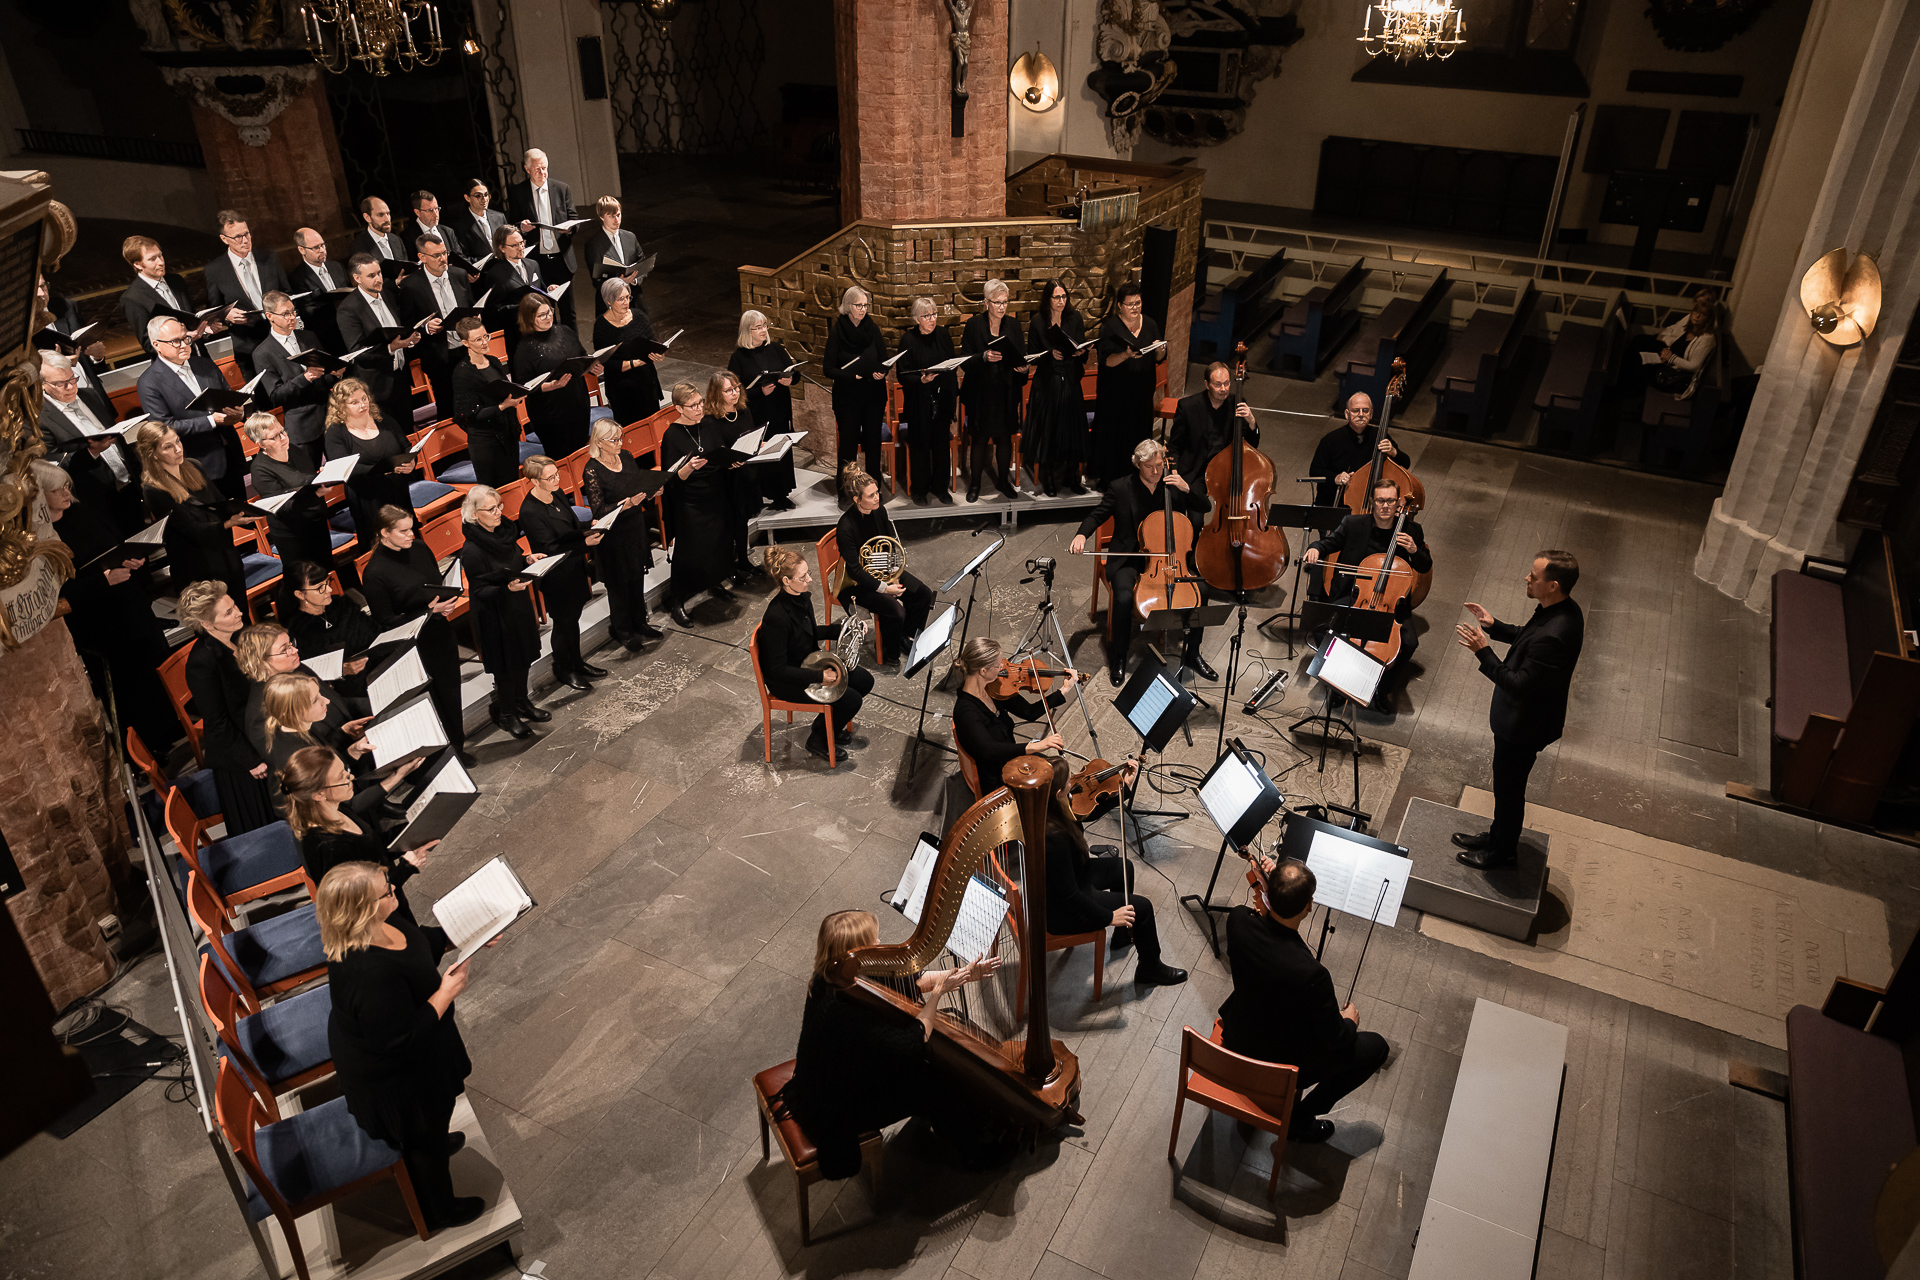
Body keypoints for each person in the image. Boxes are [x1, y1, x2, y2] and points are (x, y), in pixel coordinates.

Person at [316, 860, 484, 1231]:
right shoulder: (369, 973)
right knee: (423, 1137)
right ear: (363, 909)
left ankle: (434, 1139)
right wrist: (445, 994)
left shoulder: (380, 925)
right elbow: (400, 1041)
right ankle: (439, 1209)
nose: (394, 891)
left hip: (411, 1055)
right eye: (387, 891)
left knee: (433, 1130)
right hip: (396, 1082)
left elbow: (419, 944)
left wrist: (474, 933)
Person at [777, 909, 1007, 1178]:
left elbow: (911, 980)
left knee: (932, 1066)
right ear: (856, 954)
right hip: (838, 1108)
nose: (879, 946)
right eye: (873, 943)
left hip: (834, 1079)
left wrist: (963, 974)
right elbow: (913, 1042)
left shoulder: (830, 975)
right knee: (937, 1078)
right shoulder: (840, 1010)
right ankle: (976, 1153)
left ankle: (953, 1120)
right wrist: (936, 997)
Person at [1219, 857, 1390, 1143]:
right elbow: (1336, 1039)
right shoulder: (1312, 974)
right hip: (1279, 1065)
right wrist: (1349, 1022)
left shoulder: (1237, 921)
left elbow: (1257, 913)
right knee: (1376, 1048)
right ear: (1308, 907)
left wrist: (1272, 884)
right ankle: (1299, 1119)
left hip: (1239, 1035)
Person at [1452, 551, 1585, 870]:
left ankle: (1502, 852)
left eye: (1534, 576)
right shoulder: (1561, 609)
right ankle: (1498, 835)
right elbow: (1527, 637)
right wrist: (1493, 626)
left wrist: (1483, 652)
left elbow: (1518, 683)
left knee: (1509, 791)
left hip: (1524, 727)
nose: (1527, 578)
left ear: (1552, 585)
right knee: (1505, 787)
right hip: (1524, 721)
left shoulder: (1556, 633)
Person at [37, 460, 178, 754]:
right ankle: (147, 751)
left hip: (129, 605)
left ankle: (174, 726)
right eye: (57, 489)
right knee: (128, 687)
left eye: (66, 485)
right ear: (38, 495)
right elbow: (56, 593)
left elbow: (114, 545)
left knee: (154, 668)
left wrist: (133, 559)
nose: (66, 492)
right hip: (99, 624)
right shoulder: (40, 539)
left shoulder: (79, 511)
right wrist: (103, 581)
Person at [1068, 439, 1218, 687]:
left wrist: (1187, 488)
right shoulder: (1121, 488)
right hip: (1129, 558)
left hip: (1168, 560)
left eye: (1159, 465)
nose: (1157, 471)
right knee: (1125, 597)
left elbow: (1204, 506)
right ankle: (1119, 657)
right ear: (1138, 464)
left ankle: (1192, 654)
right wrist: (1082, 534)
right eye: (1150, 467)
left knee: (1201, 591)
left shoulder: (1172, 486)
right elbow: (1097, 515)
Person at [1040, 760, 1186, 986]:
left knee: (1123, 868)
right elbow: (1071, 897)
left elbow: (1087, 812)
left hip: (1076, 877)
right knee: (1143, 908)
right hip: (1065, 910)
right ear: (1058, 792)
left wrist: (1123, 789)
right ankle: (1150, 969)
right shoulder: (1052, 837)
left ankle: (1122, 936)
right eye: (1069, 780)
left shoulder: (1052, 806)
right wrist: (1110, 917)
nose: (1074, 782)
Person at [1299, 477, 1432, 703]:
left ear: (1399, 503)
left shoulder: (1412, 530)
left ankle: (1381, 690)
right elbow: (1327, 543)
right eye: (1380, 500)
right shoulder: (1353, 524)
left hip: (1392, 604)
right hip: (1356, 595)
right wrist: (1314, 548)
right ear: (1372, 501)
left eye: (1390, 501)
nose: (1385, 506)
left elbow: (1424, 564)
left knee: (1409, 642)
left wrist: (1413, 549)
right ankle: (1338, 683)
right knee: (1323, 626)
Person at [361, 506, 469, 762]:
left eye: (411, 529)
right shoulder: (375, 573)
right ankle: (438, 757)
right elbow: (386, 622)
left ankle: (458, 749)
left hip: (439, 634)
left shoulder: (419, 548)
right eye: (404, 531)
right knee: (428, 701)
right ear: (384, 533)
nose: (411, 535)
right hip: (412, 647)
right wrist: (428, 611)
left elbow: (435, 583)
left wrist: (445, 601)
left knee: (451, 693)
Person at [756, 545, 872, 764]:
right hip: (789, 680)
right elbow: (778, 670)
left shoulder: (802, 598)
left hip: (806, 664)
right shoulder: (777, 618)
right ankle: (818, 738)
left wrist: (845, 629)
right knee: (851, 701)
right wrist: (820, 677)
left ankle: (829, 725)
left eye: (808, 573)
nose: (809, 579)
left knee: (865, 681)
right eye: (803, 576)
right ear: (786, 581)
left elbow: (809, 632)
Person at [178, 581, 276, 833]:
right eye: (229, 612)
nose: (239, 612)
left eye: (234, 606)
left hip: (258, 731)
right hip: (242, 757)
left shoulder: (237, 638)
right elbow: (217, 722)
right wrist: (251, 761)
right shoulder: (202, 662)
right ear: (208, 624)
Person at [459, 485, 546, 740]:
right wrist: (507, 587)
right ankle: (507, 714)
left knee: (524, 656)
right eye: (491, 509)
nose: (498, 513)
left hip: (516, 605)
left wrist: (527, 560)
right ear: (475, 514)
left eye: (499, 507)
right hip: (494, 615)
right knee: (506, 668)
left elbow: (513, 559)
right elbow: (479, 591)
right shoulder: (473, 550)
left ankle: (522, 702)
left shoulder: (504, 532)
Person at [134, 422, 249, 613]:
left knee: (241, 617)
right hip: (197, 567)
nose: (178, 449)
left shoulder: (194, 466)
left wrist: (241, 511)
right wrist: (228, 523)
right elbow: (191, 529)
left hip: (225, 556)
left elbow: (219, 501)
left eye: (177, 441)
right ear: (153, 454)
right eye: (168, 447)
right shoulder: (153, 490)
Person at [521, 453, 613, 683]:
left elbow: (570, 526)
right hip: (556, 576)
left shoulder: (557, 494)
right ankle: (564, 669)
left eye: (556, 475)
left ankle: (577, 662)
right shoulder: (530, 512)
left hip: (574, 567)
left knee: (574, 620)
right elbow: (549, 548)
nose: (556, 480)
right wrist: (585, 544)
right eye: (550, 478)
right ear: (534, 481)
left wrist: (588, 526)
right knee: (563, 624)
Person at [137, 315, 247, 498]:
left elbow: (228, 396)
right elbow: (164, 427)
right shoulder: (149, 382)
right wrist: (211, 421)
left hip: (230, 452)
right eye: (175, 341)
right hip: (197, 462)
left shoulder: (203, 363)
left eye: (186, 338)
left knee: (244, 514)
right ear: (156, 345)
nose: (183, 344)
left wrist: (238, 412)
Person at [834, 464, 932, 665]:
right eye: (871, 496)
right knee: (896, 610)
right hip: (856, 584)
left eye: (877, 492)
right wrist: (886, 589)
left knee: (923, 593)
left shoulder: (879, 511)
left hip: (884, 570)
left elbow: (890, 547)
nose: (877, 498)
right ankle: (889, 651)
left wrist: (894, 577)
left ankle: (906, 637)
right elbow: (855, 570)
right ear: (856, 499)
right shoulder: (846, 527)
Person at [659, 383, 740, 626]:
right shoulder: (672, 435)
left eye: (700, 403)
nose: (699, 408)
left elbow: (720, 453)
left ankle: (714, 582)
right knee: (689, 552)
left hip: (715, 493)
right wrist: (687, 468)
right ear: (678, 408)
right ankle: (677, 601)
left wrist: (731, 461)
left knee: (718, 542)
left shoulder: (709, 424)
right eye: (693, 406)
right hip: (690, 501)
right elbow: (671, 478)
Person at [577, 425, 663, 651]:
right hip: (614, 535)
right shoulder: (592, 470)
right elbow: (598, 510)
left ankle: (640, 622)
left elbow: (637, 487)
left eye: (620, 438)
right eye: (613, 440)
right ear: (599, 442)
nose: (620, 443)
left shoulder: (626, 456)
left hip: (634, 527)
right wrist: (625, 505)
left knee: (636, 578)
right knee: (618, 585)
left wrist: (651, 491)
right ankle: (623, 630)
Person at [38, 351, 142, 533]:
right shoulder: (39, 418)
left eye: (72, 379)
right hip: (94, 499)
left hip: (128, 486)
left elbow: (117, 438)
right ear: (43, 385)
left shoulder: (90, 396)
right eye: (60, 384)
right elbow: (51, 465)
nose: (70, 387)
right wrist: (91, 453)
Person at [236, 622, 368, 757]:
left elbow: (336, 701)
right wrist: (344, 736)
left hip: (353, 741)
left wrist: (377, 705)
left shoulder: (297, 668)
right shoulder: (263, 712)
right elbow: (304, 758)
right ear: (261, 662)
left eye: (291, 644)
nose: (294, 650)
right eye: (284, 650)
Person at [951, 636, 1071, 784]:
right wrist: (1036, 746)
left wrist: (1064, 690)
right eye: (998, 665)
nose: (1003, 667)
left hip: (1011, 758)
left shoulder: (993, 689)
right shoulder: (966, 712)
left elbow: (1029, 712)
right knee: (1057, 777)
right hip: (997, 773)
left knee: (1060, 769)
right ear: (983, 671)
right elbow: (988, 750)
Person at [324, 377, 418, 554]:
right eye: (354, 402)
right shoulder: (336, 433)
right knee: (382, 548)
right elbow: (345, 470)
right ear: (341, 406)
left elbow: (405, 446)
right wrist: (384, 470)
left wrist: (412, 461)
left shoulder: (383, 419)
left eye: (364, 399)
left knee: (408, 542)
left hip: (397, 491)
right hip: (368, 500)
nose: (362, 405)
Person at [246, 413, 340, 581]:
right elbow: (281, 507)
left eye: (283, 431)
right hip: (292, 534)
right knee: (307, 582)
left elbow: (308, 478)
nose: (283, 438)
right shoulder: (260, 470)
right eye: (274, 436)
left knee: (326, 573)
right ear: (260, 444)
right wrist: (316, 494)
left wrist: (321, 478)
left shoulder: (295, 450)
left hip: (316, 523)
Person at [960, 278, 1030, 502]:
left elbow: (1021, 356)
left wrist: (1022, 368)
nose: (1002, 306)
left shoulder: (1014, 325)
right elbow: (964, 360)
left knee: (1003, 439)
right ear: (986, 302)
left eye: (1005, 302)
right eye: (997, 302)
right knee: (979, 440)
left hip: (1006, 393)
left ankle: (1002, 480)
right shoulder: (974, 325)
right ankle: (976, 484)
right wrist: (983, 357)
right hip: (981, 393)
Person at [254, 290, 341, 469]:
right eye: (285, 313)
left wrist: (335, 375)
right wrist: (305, 377)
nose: (292, 317)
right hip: (303, 427)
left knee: (344, 468)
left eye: (293, 311)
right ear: (270, 316)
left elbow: (324, 376)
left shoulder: (308, 337)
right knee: (312, 479)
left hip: (330, 416)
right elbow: (276, 395)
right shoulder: (262, 353)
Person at [336, 253, 423, 426]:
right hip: (376, 387)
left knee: (408, 433)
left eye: (379, 273)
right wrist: (390, 348)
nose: (378, 279)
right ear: (357, 278)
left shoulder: (388, 295)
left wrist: (409, 339)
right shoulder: (348, 309)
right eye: (371, 275)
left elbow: (396, 330)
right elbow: (357, 352)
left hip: (400, 377)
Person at [201, 210, 290, 376]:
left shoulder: (269, 258)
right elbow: (214, 308)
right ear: (224, 239)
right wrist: (227, 315)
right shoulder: (215, 270)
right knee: (261, 399)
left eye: (247, 234)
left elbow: (287, 292)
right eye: (237, 237)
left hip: (281, 338)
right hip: (247, 346)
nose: (245, 240)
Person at [1092, 282, 1164, 484]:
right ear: (1119, 305)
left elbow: (1159, 357)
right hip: (1116, 395)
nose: (1135, 307)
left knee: (1138, 437)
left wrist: (1160, 349)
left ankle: (1137, 479)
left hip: (1141, 394)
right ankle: (1112, 481)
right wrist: (1125, 355)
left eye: (1138, 303)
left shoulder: (1150, 324)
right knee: (1115, 438)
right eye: (1130, 304)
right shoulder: (1110, 328)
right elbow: (1106, 361)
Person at [511, 291, 597, 461]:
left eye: (549, 311)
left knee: (581, 454)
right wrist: (550, 386)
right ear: (529, 318)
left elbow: (582, 355)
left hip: (577, 403)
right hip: (550, 413)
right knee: (563, 458)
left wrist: (593, 366)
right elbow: (523, 386)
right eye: (541, 315)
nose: (548, 317)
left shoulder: (565, 331)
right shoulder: (524, 349)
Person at [1024, 278, 1090, 496]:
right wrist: (1049, 354)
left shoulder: (1074, 318)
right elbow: (1033, 356)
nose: (1061, 301)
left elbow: (1081, 349)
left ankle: (1072, 478)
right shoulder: (1037, 322)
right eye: (1056, 297)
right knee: (1050, 432)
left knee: (1071, 429)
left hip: (1070, 379)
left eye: (1064, 297)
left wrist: (1082, 352)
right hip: (1048, 383)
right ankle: (1049, 479)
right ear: (1048, 299)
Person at [727, 310, 798, 511]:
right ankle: (757, 496)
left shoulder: (776, 348)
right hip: (756, 413)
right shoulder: (739, 357)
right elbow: (733, 390)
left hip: (779, 409)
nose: (763, 330)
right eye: (758, 327)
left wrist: (791, 379)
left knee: (781, 451)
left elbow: (793, 372)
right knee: (761, 454)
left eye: (765, 325)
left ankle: (780, 495)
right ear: (747, 331)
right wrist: (759, 391)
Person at [448, 315, 528, 489]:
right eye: (478, 339)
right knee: (493, 492)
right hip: (485, 443)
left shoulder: (493, 361)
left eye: (486, 336)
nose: (484, 342)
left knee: (513, 488)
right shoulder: (463, 373)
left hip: (507, 434)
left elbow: (503, 391)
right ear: (465, 343)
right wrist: (502, 406)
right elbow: (469, 414)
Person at [278, 560, 375, 703]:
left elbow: (373, 630)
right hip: (349, 691)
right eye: (320, 588)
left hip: (375, 666)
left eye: (327, 582)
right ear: (300, 594)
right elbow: (309, 674)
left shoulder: (342, 604)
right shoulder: (298, 632)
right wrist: (341, 670)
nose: (329, 590)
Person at [702, 369, 768, 576]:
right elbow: (716, 452)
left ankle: (743, 560)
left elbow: (748, 437)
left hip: (744, 475)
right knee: (729, 523)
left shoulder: (744, 411)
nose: (735, 393)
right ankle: (727, 565)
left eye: (736, 387)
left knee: (742, 521)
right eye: (728, 390)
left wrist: (759, 444)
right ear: (716, 394)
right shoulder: (710, 421)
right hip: (725, 479)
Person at [398, 235, 474, 415]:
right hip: (439, 357)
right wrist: (425, 327)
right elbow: (407, 324)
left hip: (467, 350)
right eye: (436, 255)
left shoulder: (459, 275)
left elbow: (470, 307)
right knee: (448, 406)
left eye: (444, 253)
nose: (443, 259)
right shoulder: (411, 285)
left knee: (475, 398)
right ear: (422, 257)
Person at [892, 298, 956, 505]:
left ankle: (941, 487)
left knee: (940, 445)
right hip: (919, 403)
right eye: (927, 316)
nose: (932, 319)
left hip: (942, 399)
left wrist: (952, 398)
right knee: (920, 446)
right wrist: (921, 379)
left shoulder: (944, 335)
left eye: (934, 314)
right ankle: (919, 489)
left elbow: (952, 366)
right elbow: (902, 374)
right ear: (917, 319)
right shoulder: (908, 340)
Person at [823, 285, 888, 484]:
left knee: (873, 444)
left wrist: (881, 372)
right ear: (847, 306)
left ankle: (872, 485)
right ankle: (846, 489)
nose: (862, 309)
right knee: (849, 446)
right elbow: (828, 369)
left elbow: (884, 359)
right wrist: (853, 376)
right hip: (847, 398)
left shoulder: (873, 328)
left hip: (873, 396)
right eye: (858, 305)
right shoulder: (837, 332)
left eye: (865, 305)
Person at [120, 235, 222, 359]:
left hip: (201, 357)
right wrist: (184, 339)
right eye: (152, 259)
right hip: (174, 366)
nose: (161, 262)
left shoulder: (176, 281)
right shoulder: (133, 298)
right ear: (138, 265)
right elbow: (148, 345)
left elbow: (191, 319)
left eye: (160, 255)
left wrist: (205, 328)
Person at [506, 148, 579, 307]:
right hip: (536, 260)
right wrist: (521, 228)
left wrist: (569, 228)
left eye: (544, 168)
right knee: (544, 308)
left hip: (562, 258)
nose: (542, 172)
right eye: (537, 169)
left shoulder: (561, 189)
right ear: (527, 169)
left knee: (569, 310)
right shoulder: (518, 193)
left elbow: (574, 218)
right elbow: (512, 224)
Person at [1169, 362, 1259, 489]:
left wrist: (1251, 421)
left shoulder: (1237, 403)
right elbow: (1174, 445)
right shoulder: (1188, 407)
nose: (1223, 389)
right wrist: (1174, 472)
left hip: (1226, 469)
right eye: (1217, 385)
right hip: (1196, 469)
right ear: (1207, 384)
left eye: (1226, 383)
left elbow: (1251, 445)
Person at [1308, 393, 1405, 509]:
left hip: (1371, 504)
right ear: (1346, 414)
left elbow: (1405, 463)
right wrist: (1335, 477)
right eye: (1355, 410)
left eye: (1365, 410)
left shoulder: (1380, 436)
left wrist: (1394, 452)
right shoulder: (1330, 440)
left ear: (1371, 414)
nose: (1360, 415)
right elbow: (1315, 471)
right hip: (1336, 503)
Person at [595, 279, 664, 427]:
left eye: (628, 297)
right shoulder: (602, 326)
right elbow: (605, 362)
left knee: (652, 428)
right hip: (622, 389)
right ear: (609, 301)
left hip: (646, 383)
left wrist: (659, 353)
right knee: (631, 431)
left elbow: (653, 342)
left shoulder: (639, 316)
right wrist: (635, 363)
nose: (626, 302)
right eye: (621, 299)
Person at [1624, 299, 1717, 398]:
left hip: (1677, 375)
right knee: (1638, 351)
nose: (1697, 316)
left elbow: (1693, 366)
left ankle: (1625, 393)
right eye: (1696, 312)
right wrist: (1666, 353)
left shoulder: (1707, 338)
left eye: (1703, 314)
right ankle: (1622, 385)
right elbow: (1677, 344)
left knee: (1641, 365)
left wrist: (1671, 357)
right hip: (1669, 362)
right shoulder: (1690, 328)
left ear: (1708, 319)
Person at [479, 226, 549, 347]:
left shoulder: (533, 264)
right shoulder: (496, 274)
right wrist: (523, 308)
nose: (521, 248)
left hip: (541, 329)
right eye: (514, 245)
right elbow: (493, 310)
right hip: (517, 334)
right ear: (502, 248)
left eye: (522, 243)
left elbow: (541, 288)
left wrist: (549, 289)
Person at [580, 195, 643, 315]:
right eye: (611, 216)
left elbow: (641, 262)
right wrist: (619, 281)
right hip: (609, 305)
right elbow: (597, 280)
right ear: (601, 217)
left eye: (618, 215)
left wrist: (634, 280)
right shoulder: (593, 244)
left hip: (634, 302)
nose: (616, 220)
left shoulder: (630, 237)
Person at [290, 228, 349, 352]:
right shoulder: (298, 278)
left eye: (323, 245)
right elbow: (308, 312)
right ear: (302, 250)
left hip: (350, 326)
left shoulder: (337, 266)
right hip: (328, 336)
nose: (322, 250)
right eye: (316, 248)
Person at [454, 177, 505, 260]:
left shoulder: (499, 217)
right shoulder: (460, 226)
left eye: (486, 195)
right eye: (478, 196)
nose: (484, 199)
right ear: (467, 198)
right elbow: (463, 256)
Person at [351, 196, 411, 264]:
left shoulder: (396, 240)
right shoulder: (359, 245)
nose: (387, 219)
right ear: (367, 217)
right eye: (380, 215)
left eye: (388, 213)